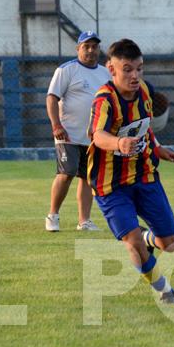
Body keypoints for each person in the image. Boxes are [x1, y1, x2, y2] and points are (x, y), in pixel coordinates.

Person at [87, 38, 174, 304]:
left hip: (144, 175)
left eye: (139, 69)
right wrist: (119, 143)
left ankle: (144, 236)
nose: (135, 76)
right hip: (111, 185)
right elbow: (98, 136)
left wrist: (158, 148)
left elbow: (144, 127)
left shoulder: (143, 91)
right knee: (132, 242)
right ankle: (164, 289)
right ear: (111, 69)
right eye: (128, 69)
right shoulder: (104, 100)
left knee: (170, 244)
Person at [45, 31, 111, 232]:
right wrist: (56, 125)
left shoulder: (105, 73)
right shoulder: (66, 70)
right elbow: (51, 98)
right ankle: (53, 215)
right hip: (68, 134)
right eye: (86, 46)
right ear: (78, 48)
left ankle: (84, 221)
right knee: (67, 172)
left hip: (93, 137)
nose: (91, 50)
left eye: (94, 46)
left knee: (87, 178)